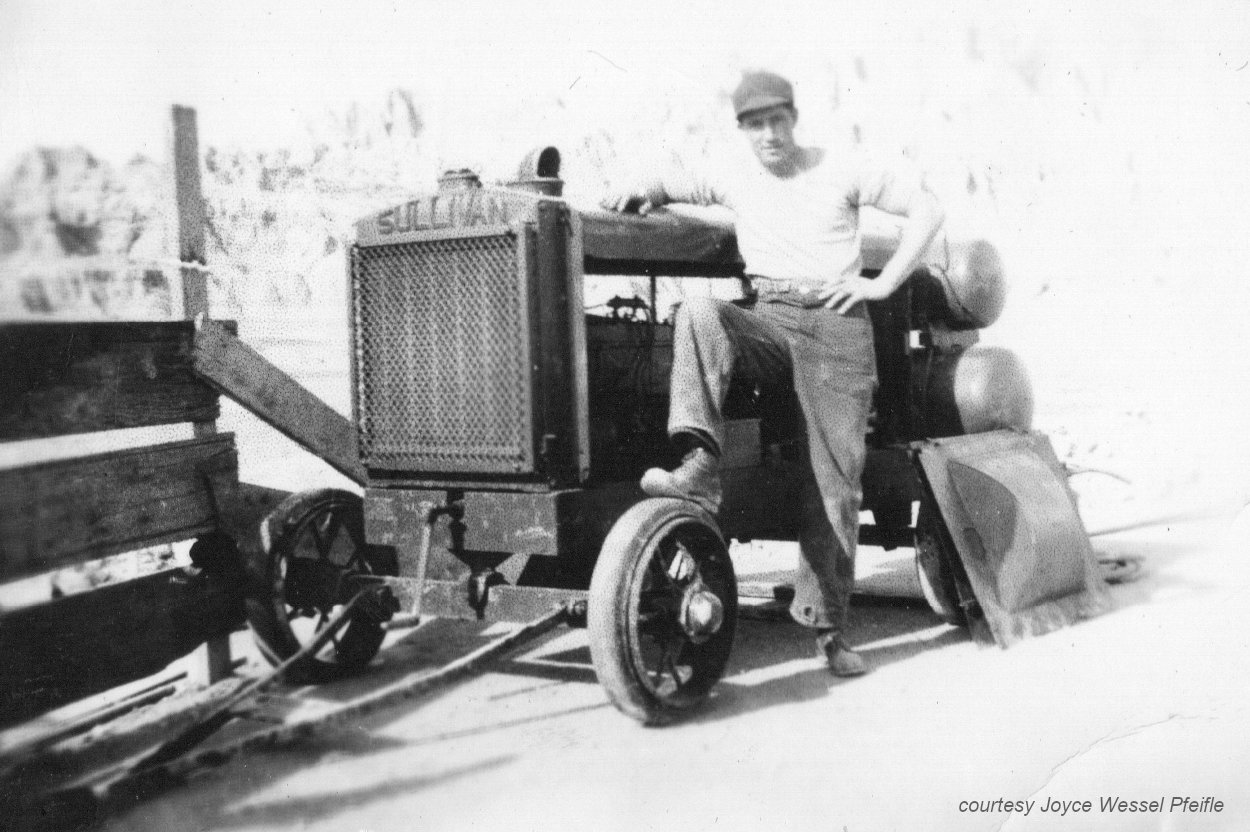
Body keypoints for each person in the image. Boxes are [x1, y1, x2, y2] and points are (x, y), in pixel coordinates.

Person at [600, 69, 945, 677]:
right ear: (743, 131)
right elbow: (667, 177)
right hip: (770, 317)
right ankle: (701, 465)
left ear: (794, 118)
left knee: (834, 482)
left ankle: (829, 631)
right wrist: (636, 190)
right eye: (755, 125)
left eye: (776, 121)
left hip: (837, 327)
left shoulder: (841, 166)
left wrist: (884, 281)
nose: (768, 136)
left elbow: (927, 206)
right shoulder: (733, 173)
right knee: (702, 313)